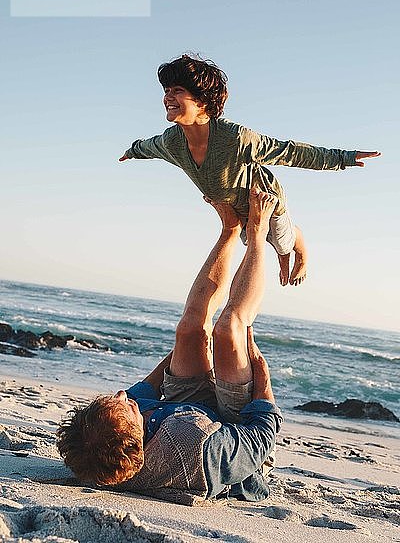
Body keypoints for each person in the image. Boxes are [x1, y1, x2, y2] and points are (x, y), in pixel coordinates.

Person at [57, 189, 283, 503]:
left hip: (182, 413)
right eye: (126, 405)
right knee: (230, 329)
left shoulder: (105, 448)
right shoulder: (199, 451)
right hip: (238, 435)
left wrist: (188, 342)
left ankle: (230, 229)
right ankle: (258, 232)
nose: (123, 394)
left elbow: (140, 395)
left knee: (191, 326)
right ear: (137, 436)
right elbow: (263, 434)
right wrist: (262, 373)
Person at [119, 54, 380, 287]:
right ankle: (283, 254)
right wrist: (131, 152)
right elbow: (147, 147)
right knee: (254, 243)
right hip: (235, 210)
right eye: (166, 90)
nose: (168, 97)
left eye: (177, 90)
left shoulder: (235, 138)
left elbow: (288, 152)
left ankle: (300, 251)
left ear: (202, 101)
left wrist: (343, 158)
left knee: (282, 241)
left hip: (265, 201)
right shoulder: (171, 142)